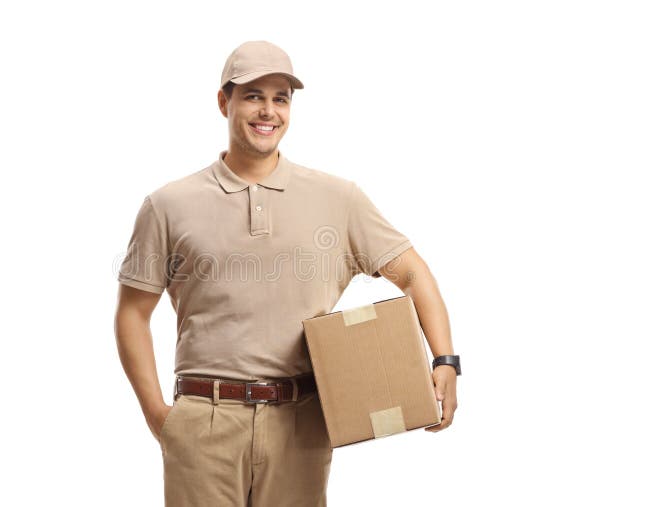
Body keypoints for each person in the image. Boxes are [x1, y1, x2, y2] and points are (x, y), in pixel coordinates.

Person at [114, 40, 460, 507]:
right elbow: (133, 313)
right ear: (224, 102)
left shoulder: (338, 199)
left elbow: (413, 273)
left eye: (281, 98)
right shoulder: (168, 205)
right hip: (204, 422)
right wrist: (159, 416)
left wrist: (445, 361)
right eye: (253, 95)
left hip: (302, 423)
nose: (268, 111)